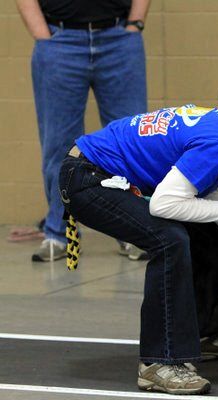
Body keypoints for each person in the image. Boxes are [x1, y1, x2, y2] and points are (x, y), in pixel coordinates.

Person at [58, 66, 218, 395]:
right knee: (168, 239)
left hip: (101, 172)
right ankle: (159, 363)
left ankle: (210, 332)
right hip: (87, 177)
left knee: (217, 232)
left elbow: (202, 184)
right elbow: (164, 204)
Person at [16, 0, 150, 262]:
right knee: (59, 145)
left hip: (119, 40)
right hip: (59, 41)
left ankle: (133, 232)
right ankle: (60, 233)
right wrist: (43, 36)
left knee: (130, 142)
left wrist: (135, 23)